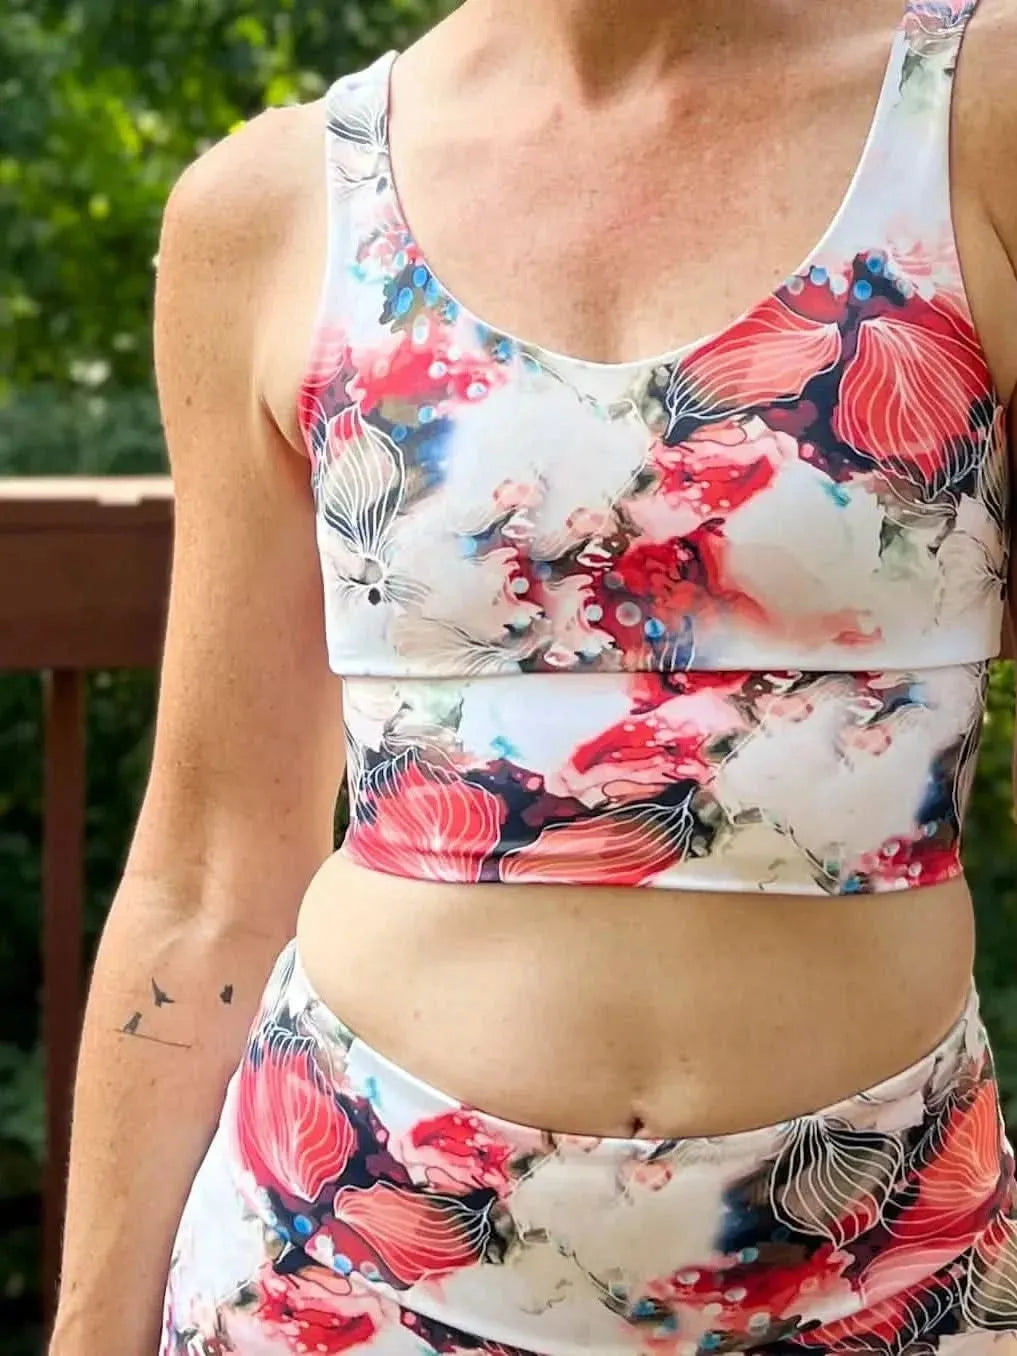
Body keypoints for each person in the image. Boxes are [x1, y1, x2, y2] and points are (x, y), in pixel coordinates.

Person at [48, 0, 1017, 1352]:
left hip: (883, 1280)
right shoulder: (276, 205)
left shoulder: (972, 114)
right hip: (334, 1274)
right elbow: (208, 876)